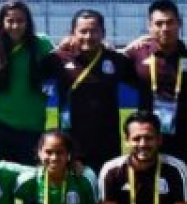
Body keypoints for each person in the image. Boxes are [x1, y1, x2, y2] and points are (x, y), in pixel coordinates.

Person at [42, 9, 137, 172]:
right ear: (73, 33)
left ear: (103, 33)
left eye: (94, 31)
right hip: (69, 144)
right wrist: (58, 47)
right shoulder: (57, 59)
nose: (88, 36)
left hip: (107, 145)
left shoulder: (117, 60)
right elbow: (32, 75)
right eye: (83, 31)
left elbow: (142, 78)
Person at [122, 0, 187, 168]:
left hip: (185, 140)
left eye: (170, 23)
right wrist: (127, 48)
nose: (165, 28)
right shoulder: (136, 55)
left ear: (180, 23)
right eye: (159, 23)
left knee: (186, 189)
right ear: (150, 26)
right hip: (146, 139)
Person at [0, 0, 55, 164]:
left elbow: (63, 59)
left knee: (27, 180)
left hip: (32, 126)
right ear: (2, 22)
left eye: (20, 21)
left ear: (28, 22)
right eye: (10, 21)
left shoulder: (41, 44)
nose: (15, 26)